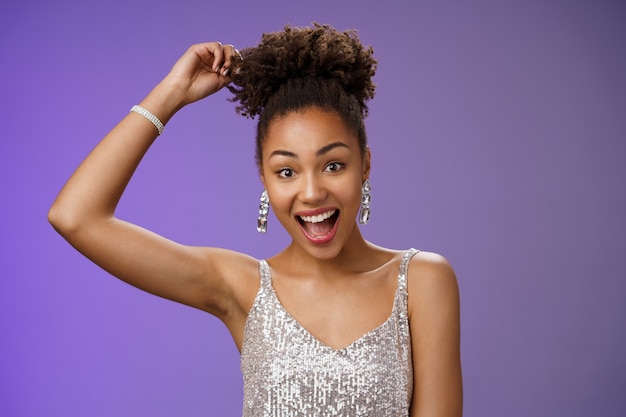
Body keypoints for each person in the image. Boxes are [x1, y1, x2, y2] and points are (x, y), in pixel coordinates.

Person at [48, 23, 462, 417]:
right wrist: (170, 94)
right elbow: (75, 217)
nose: (312, 192)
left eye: (333, 165)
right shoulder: (242, 287)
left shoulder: (421, 281)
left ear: (366, 165)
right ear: (263, 177)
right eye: (286, 171)